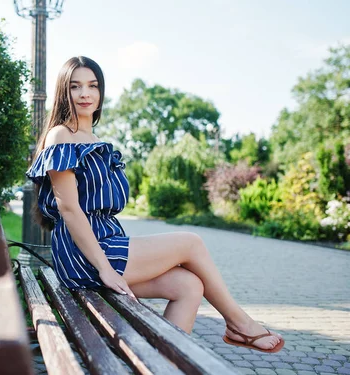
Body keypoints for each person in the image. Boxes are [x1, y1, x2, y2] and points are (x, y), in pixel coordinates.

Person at [25, 56, 285, 353]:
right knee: (190, 242)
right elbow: (69, 209)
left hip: (107, 244)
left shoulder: (93, 139)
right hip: (85, 255)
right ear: (64, 92)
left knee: (188, 286)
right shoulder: (61, 135)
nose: (85, 94)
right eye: (76, 86)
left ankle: (163, 364)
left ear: (101, 92)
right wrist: (105, 269)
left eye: (93, 86)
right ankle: (239, 324)